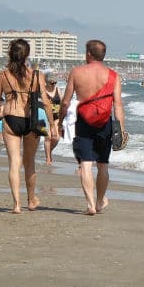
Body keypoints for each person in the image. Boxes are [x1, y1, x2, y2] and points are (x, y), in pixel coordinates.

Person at [0, 38, 57, 214]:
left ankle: (16, 205)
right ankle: (31, 200)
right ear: (27, 55)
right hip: (31, 121)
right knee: (29, 163)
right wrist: (53, 124)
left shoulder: (3, 76)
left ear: (10, 54)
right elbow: (46, 102)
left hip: (11, 119)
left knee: (14, 163)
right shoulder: (36, 75)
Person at [59, 39, 126, 216]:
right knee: (103, 166)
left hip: (84, 122)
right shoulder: (113, 75)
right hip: (105, 124)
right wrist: (120, 129)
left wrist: (59, 121)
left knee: (85, 164)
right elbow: (117, 105)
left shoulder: (77, 72)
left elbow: (65, 102)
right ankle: (98, 202)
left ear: (89, 54)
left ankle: (89, 204)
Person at [43, 72, 62, 165]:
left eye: (55, 82)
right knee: (48, 137)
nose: (54, 84)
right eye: (52, 83)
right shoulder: (42, 90)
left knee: (56, 138)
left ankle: (49, 151)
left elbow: (62, 103)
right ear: (46, 82)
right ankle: (48, 159)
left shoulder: (58, 90)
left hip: (56, 117)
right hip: (45, 116)